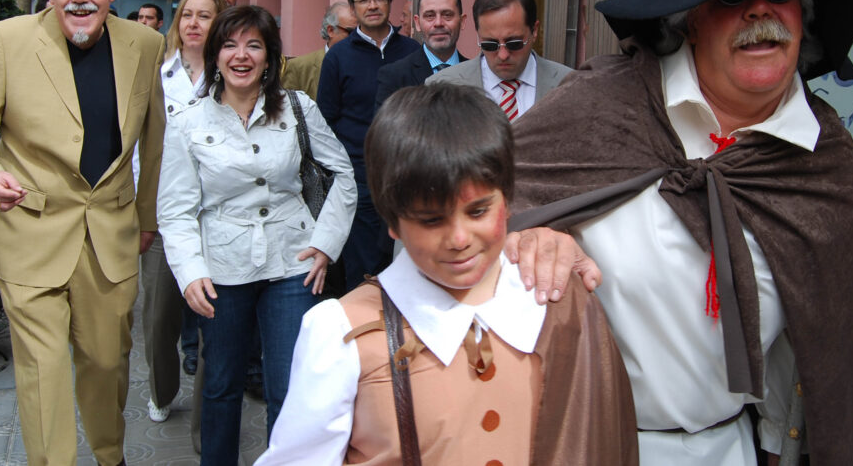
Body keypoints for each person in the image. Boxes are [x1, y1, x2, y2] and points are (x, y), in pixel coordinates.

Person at [510, 0, 853, 465]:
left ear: (803, 16)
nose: (759, 8)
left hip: (730, 448)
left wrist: (780, 446)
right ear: (693, 20)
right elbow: (472, 208)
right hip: (579, 444)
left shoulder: (822, 160)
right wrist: (531, 235)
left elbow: (823, 338)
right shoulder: (603, 105)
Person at [256, 83, 637, 465]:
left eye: (478, 212)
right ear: (393, 222)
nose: (458, 239)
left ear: (507, 200)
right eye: (431, 219)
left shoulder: (550, 301)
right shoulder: (340, 332)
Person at [0, 0, 165, 466]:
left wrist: (147, 217)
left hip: (110, 237)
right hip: (30, 232)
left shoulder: (145, 44)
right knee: (43, 372)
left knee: (107, 363)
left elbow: (154, 141)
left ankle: (110, 456)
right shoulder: (8, 40)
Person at [158, 4, 357, 464]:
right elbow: (175, 208)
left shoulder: (298, 108)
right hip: (221, 268)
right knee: (221, 384)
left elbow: (344, 175)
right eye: (229, 45)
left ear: (270, 56)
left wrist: (326, 244)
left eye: (254, 45)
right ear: (216, 55)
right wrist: (189, 272)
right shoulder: (188, 122)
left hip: (293, 261)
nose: (241, 55)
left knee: (287, 385)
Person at [135, 0, 228, 424]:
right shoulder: (156, 74)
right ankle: (162, 391)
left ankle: (208, 418)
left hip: (217, 211)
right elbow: (138, 148)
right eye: (187, 14)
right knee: (158, 317)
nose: (193, 23)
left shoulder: (232, 76)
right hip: (163, 211)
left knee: (216, 321)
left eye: (204, 16)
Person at [317, 0, 420, 290]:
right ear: (353, 8)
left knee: (407, 269)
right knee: (362, 274)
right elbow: (325, 122)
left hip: (408, 178)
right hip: (358, 182)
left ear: (389, 2)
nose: (372, 5)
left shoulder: (414, 52)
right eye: (363, 0)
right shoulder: (338, 57)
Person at [427, 0, 571, 121]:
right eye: (490, 45)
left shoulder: (569, 84)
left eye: (514, 44)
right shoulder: (441, 87)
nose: (503, 55)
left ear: (534, 31)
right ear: (478, 35)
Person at [374, 0, 467, 111]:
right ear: (417, 23)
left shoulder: (478, 73)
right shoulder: (394, 77)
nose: (438, 23)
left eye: (447, 15)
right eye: (430, 16)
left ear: (462, 21)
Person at [284, 1, 357, 101]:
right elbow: (287, 107)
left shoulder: (366, 63)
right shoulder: (299, 67)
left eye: (360, 32)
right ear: (331, 30)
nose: (356, 38)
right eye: (351, 32)